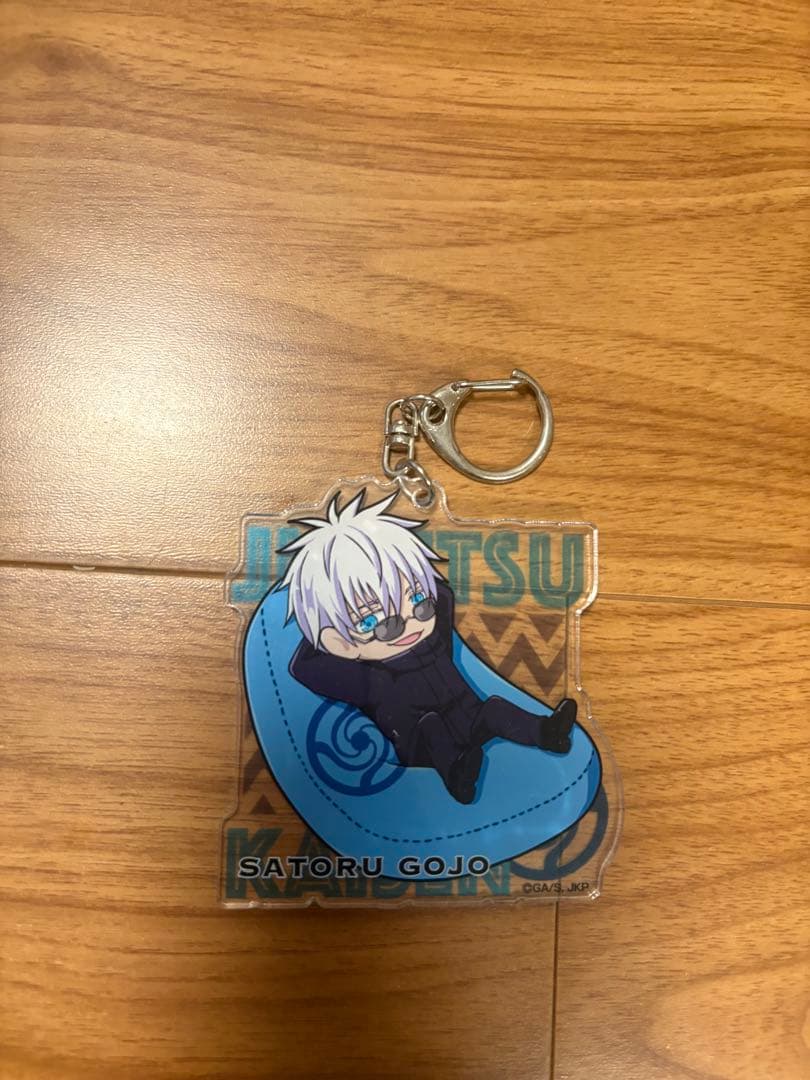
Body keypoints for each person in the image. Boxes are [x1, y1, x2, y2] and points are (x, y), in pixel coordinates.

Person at [277, 489, 576, 804]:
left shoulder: (434, 638)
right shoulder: (368, 680)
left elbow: (443, 596)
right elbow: (304, 667)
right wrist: (330, 625)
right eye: (383, 624)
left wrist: (412, 584)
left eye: (419, 604)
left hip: (471, 721)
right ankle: (458, 777)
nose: (409, 625)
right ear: (340, 643)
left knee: (495, 709)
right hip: (423, 746)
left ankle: (549, 734)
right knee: (432, 726)